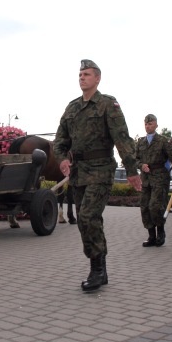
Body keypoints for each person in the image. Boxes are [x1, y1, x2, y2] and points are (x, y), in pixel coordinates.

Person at [53, 59, 141, 292]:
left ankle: (98, 270)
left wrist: (132, 170)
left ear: (98, 78)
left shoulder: (107, 104)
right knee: (85, 220)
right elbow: (60, 140)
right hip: (79, 171)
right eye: (80, 74)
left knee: (88, 216)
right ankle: (98, 264)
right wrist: (62, 159)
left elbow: (122, 138)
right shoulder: (72, 107)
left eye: (87, 74)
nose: (82, 77)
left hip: (101, 168)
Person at [135, 114, 172, 247]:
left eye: (150, 124)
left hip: (159, 177)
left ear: (156, 125)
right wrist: (141, 165)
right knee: (145, 207)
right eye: (146, 124)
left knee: (155, 206)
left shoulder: (163, 141)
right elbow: (134, 159)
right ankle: (151, 235)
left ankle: (160, 231)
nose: (148, 126)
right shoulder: (140, 142)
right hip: (146, 179)